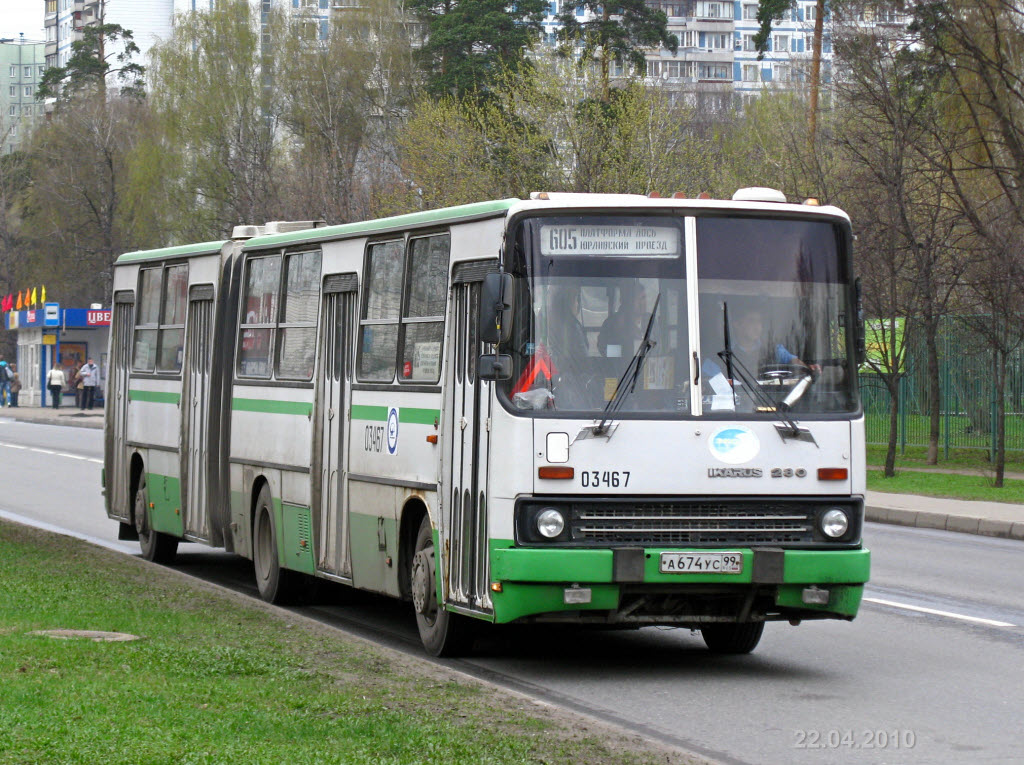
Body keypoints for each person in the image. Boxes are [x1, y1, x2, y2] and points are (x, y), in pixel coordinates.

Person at [703, 308, 819, 384]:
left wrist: (808, 369)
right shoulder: (720, 356)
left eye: (759, 322)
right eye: (751, 321)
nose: (758, 327)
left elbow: (794, 362)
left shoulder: (774, 350)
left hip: (773, 407)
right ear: (737, 325)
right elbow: (705, 382)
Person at [599, 287, 648, 358]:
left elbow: (658, 347)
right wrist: (623, 350)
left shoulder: (651, 321)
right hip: (622, 367)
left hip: (646, 366)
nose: (642, 302)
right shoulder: (612, 322)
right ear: (629, 301)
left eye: (643, 297)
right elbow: (603, 348)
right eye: (638, 299)